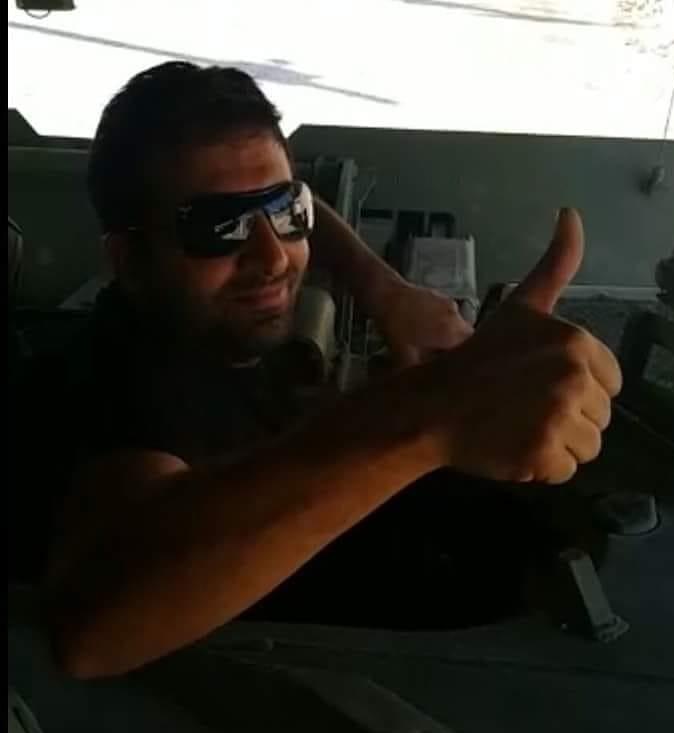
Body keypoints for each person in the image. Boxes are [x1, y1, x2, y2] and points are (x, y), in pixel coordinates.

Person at [14, 62, 621, 679]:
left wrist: (380, 286)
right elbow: (93, 627)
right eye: (219, 229)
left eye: (288, 213)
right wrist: (428, 415)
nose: (273, 256)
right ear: (128, 258)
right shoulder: (119, 387)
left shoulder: (210, 321)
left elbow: (266, 201)